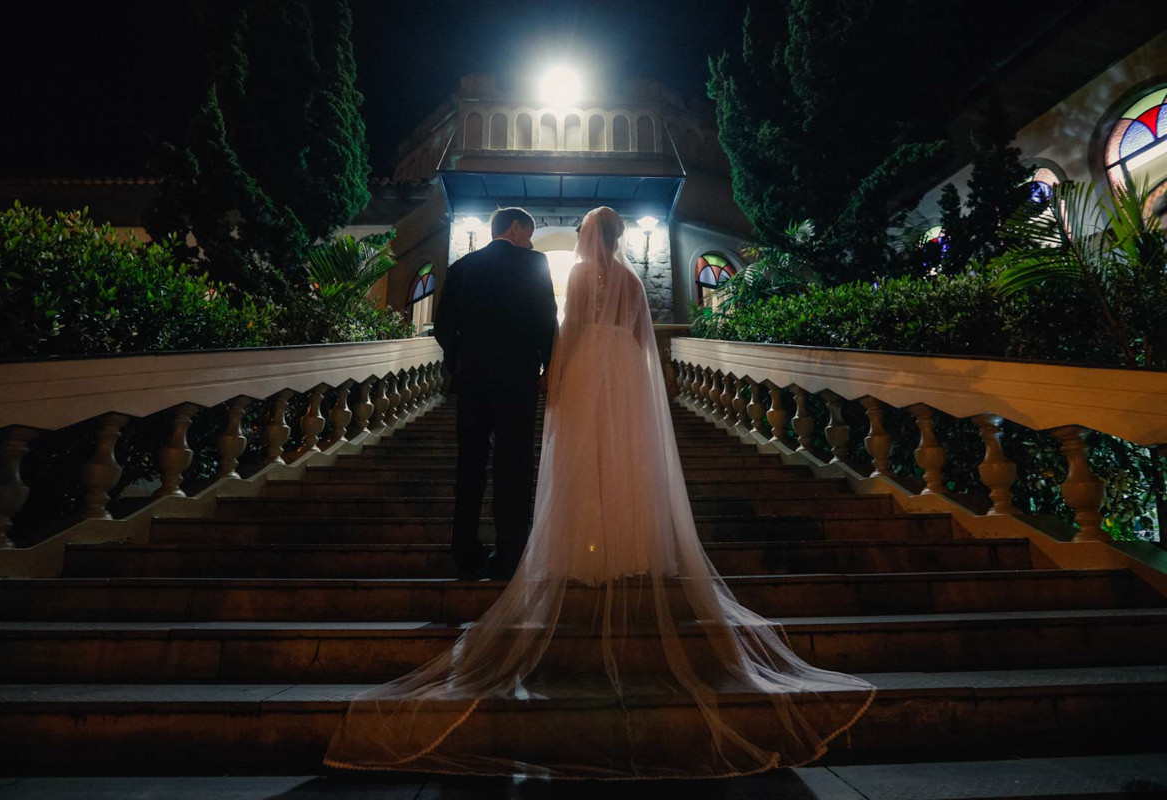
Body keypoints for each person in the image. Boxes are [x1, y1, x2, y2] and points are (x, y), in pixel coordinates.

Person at [325, 207, 875, 779]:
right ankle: (565, 549)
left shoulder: (495, 268)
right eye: (530, 230)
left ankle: (478, 553)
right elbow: (608, 335)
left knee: (492, 467)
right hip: (605, 379)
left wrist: (518, 369)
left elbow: (518, 328)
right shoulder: (626, 279)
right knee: (582, 462)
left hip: (530, 375)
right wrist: (544, 369)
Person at [432, 207, 558, 581]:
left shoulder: (462, 267)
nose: (530, 241)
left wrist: (459, 362)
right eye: (529, 232)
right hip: (517, 381)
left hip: (472, 380)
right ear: (516, 228)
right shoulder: (534, 263)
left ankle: (465, 552)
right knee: (514, 466)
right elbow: (545, 321)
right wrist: (547, 366)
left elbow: (442, 328)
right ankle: (509, 554)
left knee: (469, 465)